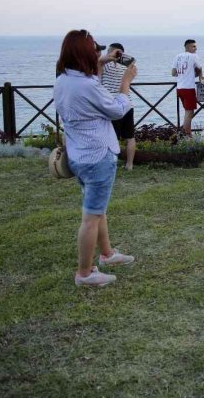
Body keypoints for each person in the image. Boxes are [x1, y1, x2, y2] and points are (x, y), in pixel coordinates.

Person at [54, 29, 137, 287]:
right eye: (95, 50)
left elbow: (90, 85)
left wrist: (104, 61)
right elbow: (116, 110)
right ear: (83, 54)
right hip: (98, 155)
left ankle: (107, 254)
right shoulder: (88, 86)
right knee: (91, 217)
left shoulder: (62, 79)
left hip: (78, 154)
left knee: (97, 210)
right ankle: (85, 273)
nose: (98, 53)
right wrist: (126, 82)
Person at [102, 42, 136, 170]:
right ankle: (129, 164)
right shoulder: (127, 68)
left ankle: (112, 164)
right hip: (128, 104)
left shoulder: (105, 66)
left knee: (112, 137)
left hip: (112, 105)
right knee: (130, 137)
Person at [171, 39, 202, 135]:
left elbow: (173, 73)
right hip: (189, 88)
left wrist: (184, 74)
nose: (196, 48)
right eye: (194, 46)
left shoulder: (177, 56)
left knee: (188, 112)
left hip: (179, 88)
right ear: (188, 47)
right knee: (189, 113)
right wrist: (200, 78)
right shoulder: (193, 56)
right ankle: (184, 135)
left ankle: (188, 134)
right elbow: (200, 68)